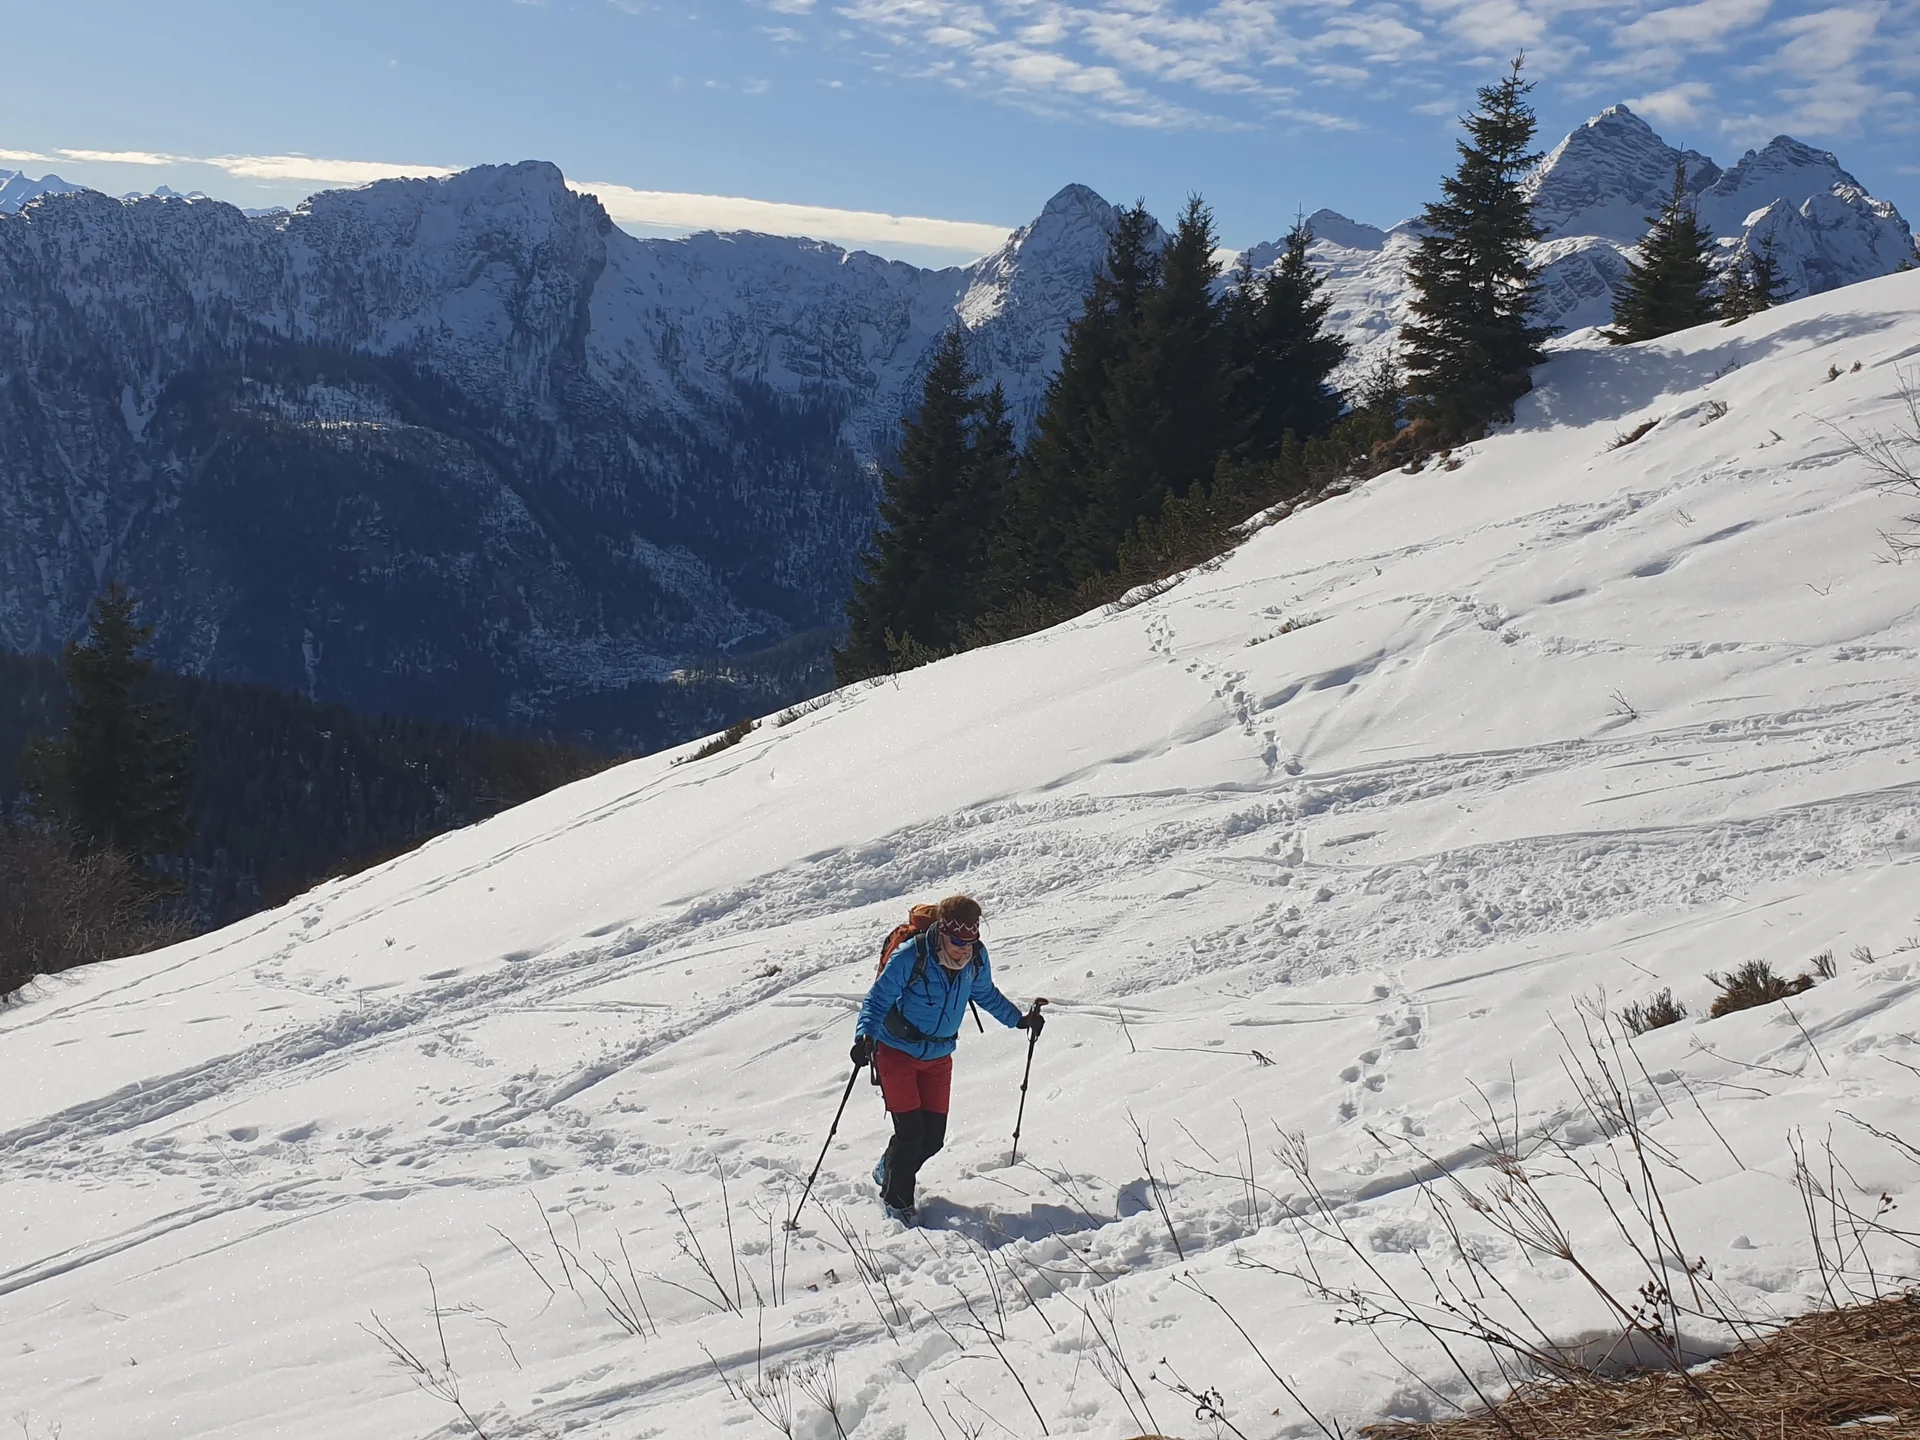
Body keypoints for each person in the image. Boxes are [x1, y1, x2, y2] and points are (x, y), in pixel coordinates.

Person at [850, 894, 1043, 1222]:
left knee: (933, 1138)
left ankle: (889, 1167)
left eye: (970, 941)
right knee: (911, 1134)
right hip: (896, 1051)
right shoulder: (912, 955)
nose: (963, 949)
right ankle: (898, 1203)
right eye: (957, 941)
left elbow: (985, 994)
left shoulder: (976, 959)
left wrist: (1019, 1020)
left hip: (939, 1056)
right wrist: (864, 1036)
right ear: (942, 931)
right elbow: (877, 999)